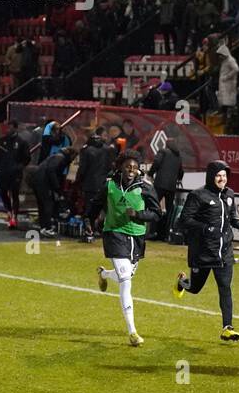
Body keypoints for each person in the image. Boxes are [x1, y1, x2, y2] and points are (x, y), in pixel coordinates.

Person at [90, 151, 161, 347]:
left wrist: (138, 214)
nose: (131, 170)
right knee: (126, 280)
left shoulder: (145, 188)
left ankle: (104, 274)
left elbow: (157, 214)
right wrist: (90, 221)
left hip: (136, 237)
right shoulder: (110, 185)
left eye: (135, 167)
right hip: (114, 234)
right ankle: (132, 332)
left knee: (127, 274)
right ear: (121, 166)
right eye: (128, 166)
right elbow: (95, 204)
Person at [174, 161, 239, 342]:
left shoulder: (229, 194)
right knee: (195, 288)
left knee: (225, 288)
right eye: (218, 175)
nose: (222, 179)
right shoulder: (198, 195)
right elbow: (184, 220)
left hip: (224, 252)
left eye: (224, 175)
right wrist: (205, 228)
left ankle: (227, 328)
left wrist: (237, 221)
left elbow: (231, 213)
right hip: (203, 252)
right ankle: (182, 283)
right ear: (210, 177)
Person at [77, 129, 113, 242]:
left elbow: (82, 169)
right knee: (108, 209)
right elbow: (111, 166)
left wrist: (79, 181)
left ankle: (89, 234)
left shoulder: (86, 150)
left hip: (90, 184)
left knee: (89, 211)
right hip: (104, 184)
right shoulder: (108, 150)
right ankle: (111, 233)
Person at [30, 147, 76, 236]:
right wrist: (57, 187)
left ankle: (43, 226)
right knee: (48, 204)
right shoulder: (60, 158)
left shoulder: (56, 157)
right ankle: (47, 227)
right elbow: (51, 171)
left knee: (42, 204)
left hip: (37, 180)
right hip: (43, 182)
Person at [0, 124, 31, 229]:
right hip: (4, 172)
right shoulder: (1, 141)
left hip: (15, 174)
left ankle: (14, 217)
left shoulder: (21, 142)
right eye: (7, 127)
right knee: (2, 192)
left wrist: (19, 167)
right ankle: (9, 212)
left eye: (10, 127)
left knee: (14, 194)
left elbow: (27, 158)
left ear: (15, 128)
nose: (8, 129)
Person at [149, 139, 183, 240]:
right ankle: (165, 234)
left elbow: (156, 163)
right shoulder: (178, 156)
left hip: (160, 184)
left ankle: (152, 232)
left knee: (154, 206)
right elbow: (181, 172)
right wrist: (178, 179)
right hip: (171, 187)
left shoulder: (163, 152)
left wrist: (150, 173)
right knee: (169, 211)